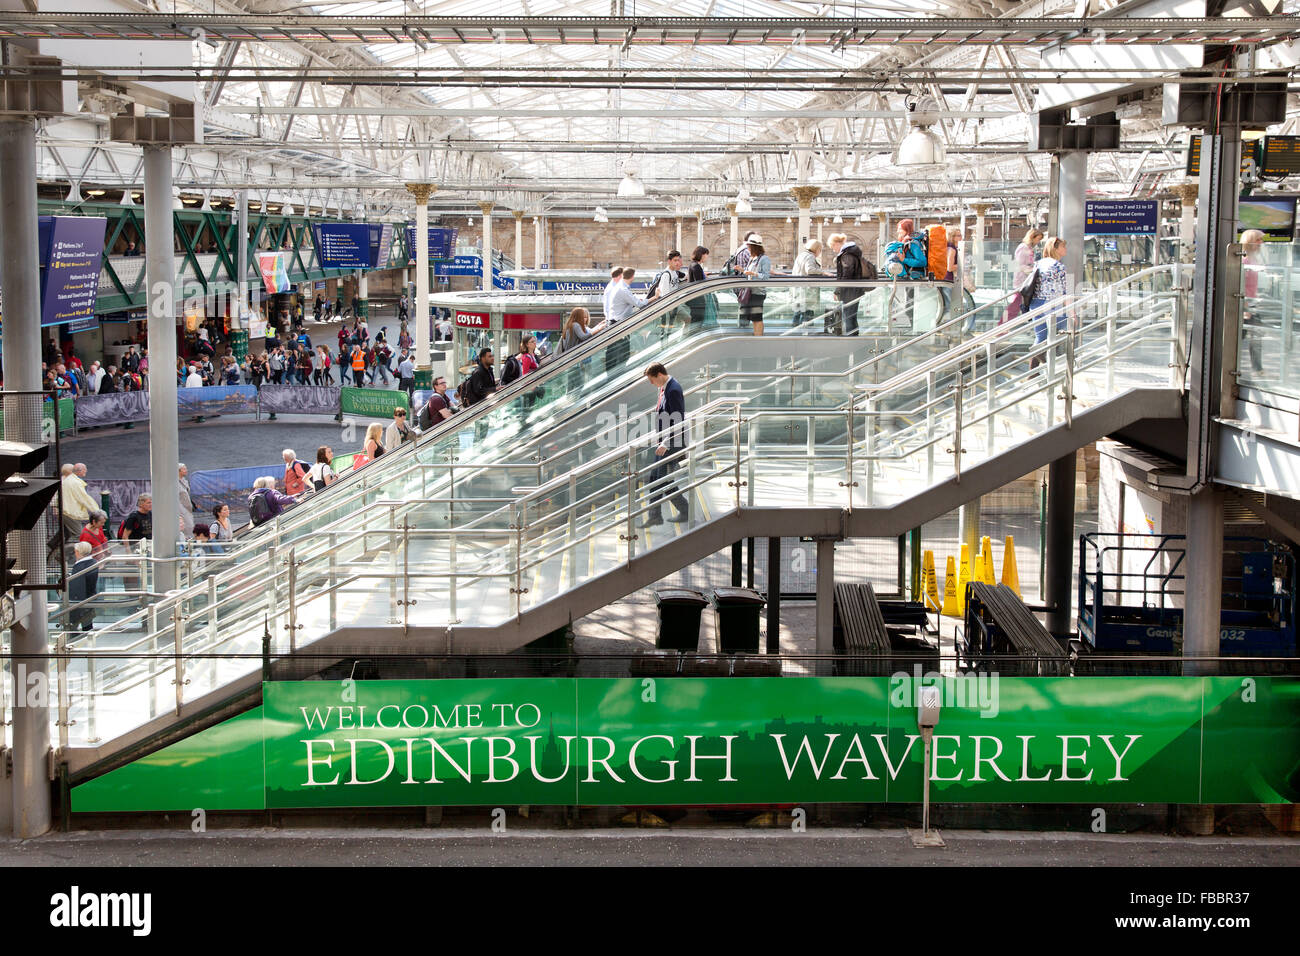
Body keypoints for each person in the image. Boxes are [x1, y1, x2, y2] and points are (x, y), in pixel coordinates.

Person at [641, 362, 690, 527]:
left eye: (652, 380)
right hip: (665, 442)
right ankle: (663, 514)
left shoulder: (673, 390)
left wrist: (666, 443)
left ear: (660, 375)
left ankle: (671, 513)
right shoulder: (664, 388)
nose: (651, 383)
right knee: (659, 478)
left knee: (659, 479)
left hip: (671, 444)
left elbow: (678, 420)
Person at [1027, 235, 1070, 369]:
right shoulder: (1059, 266)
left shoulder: (1040, 263)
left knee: (1041, 337)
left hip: (1036, 303)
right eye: (1063, 246)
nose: (1065, 249)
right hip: (1050, 304)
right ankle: (1052, 361)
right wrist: (1072, 312)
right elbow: (1064, 291)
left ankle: (1032, 372)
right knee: (1066, 328)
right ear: (1055, 249)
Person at [829, 232, 867, 336]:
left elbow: (846, 275)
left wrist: (837, 291)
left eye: (832, 246)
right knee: (851, 317)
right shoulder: (851, 253)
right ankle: (853, 336)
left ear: (837, 243)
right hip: (854, 290)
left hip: (850, 291)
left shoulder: (847, 255)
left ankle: (852, 339)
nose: (833, 249)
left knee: (849, 317)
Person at [1005, 228, 1044, 325]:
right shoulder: (1023, 248)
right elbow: (1021, 265)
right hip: (1022, 282)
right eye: (1038, 239)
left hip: (1026, 282)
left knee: (1018, 305)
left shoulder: (1029, 248)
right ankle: (1003, 326)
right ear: (1032, 237)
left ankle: (1005, 326)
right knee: (1015, 305)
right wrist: (1033, 270)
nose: (1038, 242)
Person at [1242, 229, 1267, 373]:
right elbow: (1242, 285)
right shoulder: (1245, 260)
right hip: (1246, 306)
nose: (1261, 243)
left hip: (1252, 304)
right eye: (1258, 240)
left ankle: (1258, 368)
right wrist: (1245, 308)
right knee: (1243, 336)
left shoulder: (1254, 260)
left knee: (1256, 336)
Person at [739, 235, 772, 336]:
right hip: (751, 292)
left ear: (754, 247)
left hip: (758, 293)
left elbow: (766, 276)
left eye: (749, 246)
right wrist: (742, 270)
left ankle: (758, 339)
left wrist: (753, 274)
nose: (747, 248)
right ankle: (756, 338)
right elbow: (750, 273)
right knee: (753, 318)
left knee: (757, 318)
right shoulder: (752, 258)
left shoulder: (764, 259)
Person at [60, 462, 99, 541]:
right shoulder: (75, 482)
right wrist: (96, 511)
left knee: (68, 534)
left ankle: (55, 548)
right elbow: (83, 498)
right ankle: (78, 552)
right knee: (79, 535)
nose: (86, 471)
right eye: (85, 469)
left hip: (67, 511)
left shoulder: (70, 480)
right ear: (80, 471)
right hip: (71, 513)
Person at [791, 239, 824, 329]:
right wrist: (823, 272)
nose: (820, 252)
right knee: (808, 315)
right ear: (816, 249)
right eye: (820, 250)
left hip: (798, 290)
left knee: (798, 312)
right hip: (807, 292)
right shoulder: (810, 257)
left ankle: (794, 333)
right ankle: (807, 334)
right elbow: (809, 270)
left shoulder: (801, 255)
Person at [67, 541, 99, 632]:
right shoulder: (92, 562)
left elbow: (76, 587)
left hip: (79, 602)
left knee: (72, 628)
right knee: (88, 626)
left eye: (75, 551)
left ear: (78, 552)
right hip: (89, 599)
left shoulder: (80, 566)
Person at [178, 463, 195, 539]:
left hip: (188, 507)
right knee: (187, 525)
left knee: (190, 525)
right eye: (184, 469)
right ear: (178, 471)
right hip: (180, 508)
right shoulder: (174, 483)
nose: (186, 470)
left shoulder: (185, 481)